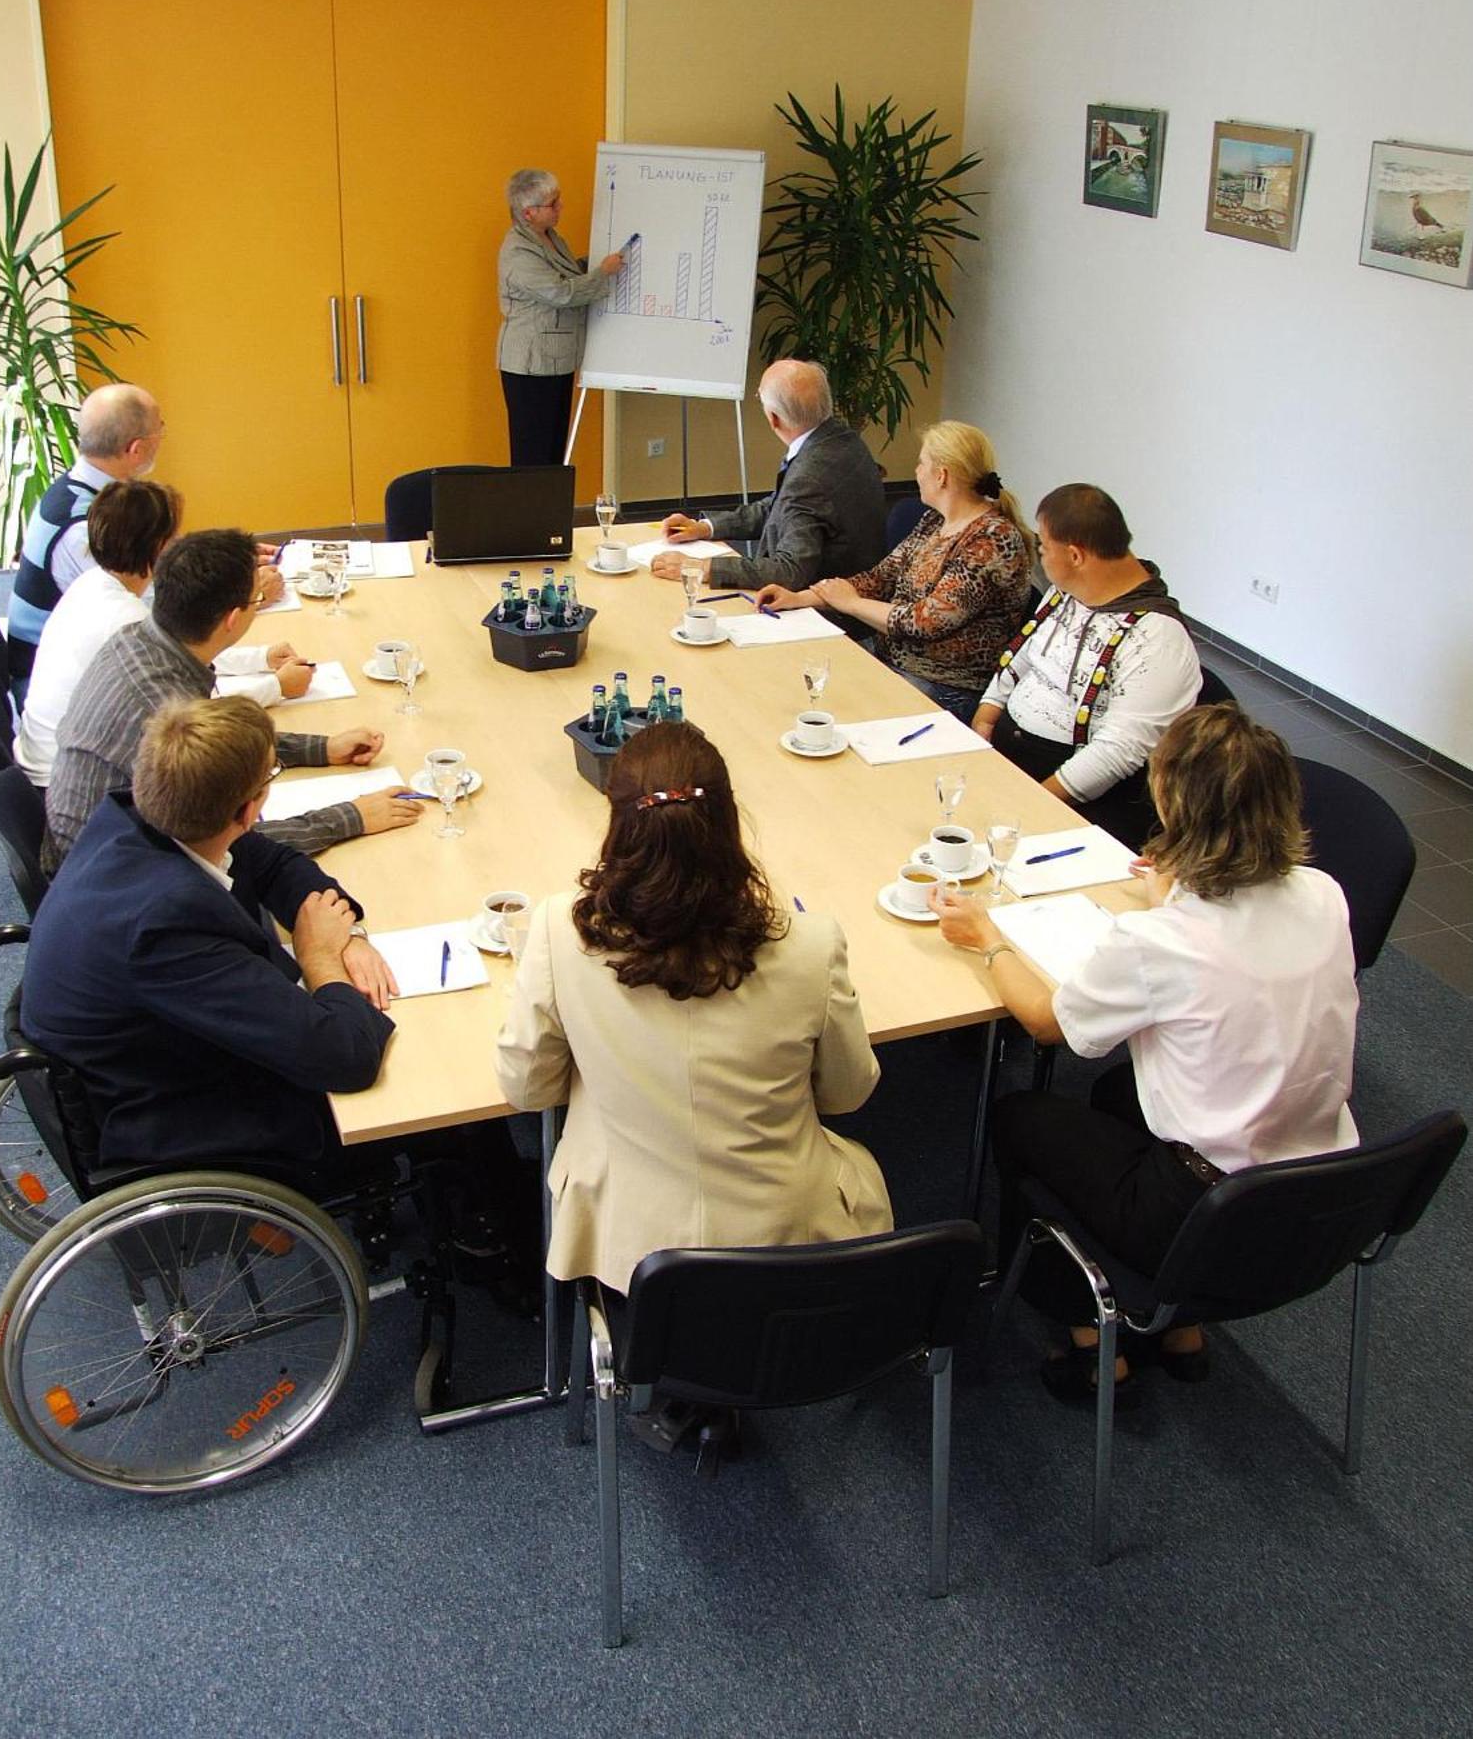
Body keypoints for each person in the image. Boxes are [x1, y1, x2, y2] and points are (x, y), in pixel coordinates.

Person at [935, 702, 1359, 1405]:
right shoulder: (1323, 894)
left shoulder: (1161, 942)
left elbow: (1045, 1024)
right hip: (1323, 1191)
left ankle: (1087, 1338)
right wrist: (1171, 893)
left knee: (1021, 1117)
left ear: (1171, 801)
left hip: (1204, 1206)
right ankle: (1182, 1332)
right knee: (1109, 1096)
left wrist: (989, 938)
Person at [495, 722, 892, 1302]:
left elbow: (528, 1089)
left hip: (628, 1240)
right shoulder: (812, 945)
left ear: (618, 826)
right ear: (731, 824)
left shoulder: (559, 931)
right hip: (786, 1237)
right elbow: (847, 1095)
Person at [23, 696, 398, 1175]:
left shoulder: (139, 818)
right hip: (181, 1113)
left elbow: (274, 862)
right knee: (427, 1098)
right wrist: (320, 957)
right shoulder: (167, 925)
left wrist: (349, 934)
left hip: (152, 1045)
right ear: (246, 810)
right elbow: (345, 1058)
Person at [43, 526, 421, 871]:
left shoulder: (139, 640)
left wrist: (323, 749)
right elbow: (222, 844)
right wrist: (349, 818)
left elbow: (223, 748)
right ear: (232, 618)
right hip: (115, 872)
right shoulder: (165, 705)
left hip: (93, 844)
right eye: (258, 597)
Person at [13, 481, 313, 786]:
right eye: (175, 535)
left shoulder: (92, 583)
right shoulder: (126, 620)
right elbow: (197, 717)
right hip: (60, 777)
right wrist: (276, 687)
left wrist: (260, 657)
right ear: (160, 546)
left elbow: (187, 651)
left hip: (50, 754)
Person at [971, 482, 1201, 849]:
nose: (1039, 555)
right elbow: (1026, 654)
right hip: (1010, 766)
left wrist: (1029, 803)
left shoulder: (1158, 639)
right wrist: (986, 716)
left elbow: (1116, 751)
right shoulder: (1070, 591)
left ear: (1076, 556)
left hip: (1075, 801)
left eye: (1044, 547)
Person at [754, 421, 1032, 721]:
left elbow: (925, 622)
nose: (916, 471)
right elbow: (881, 577)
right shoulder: (934, 522)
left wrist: (852, 604)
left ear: (942, 476)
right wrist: (802, 598)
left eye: (921, 463)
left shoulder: (991, 539)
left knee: (838, 718)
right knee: (800, 694)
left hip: (946, 686)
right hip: (893, 661)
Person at [651, 359, 885, 593]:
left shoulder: (809, 476)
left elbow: (789, 572)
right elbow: (780, 507)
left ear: (773, 418)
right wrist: (705, 527)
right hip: (857, 591)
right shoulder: (843, 439)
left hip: (824, 613)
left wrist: (703, 567)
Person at [6, 383, 166, 686]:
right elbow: (146, 614)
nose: (162, 439)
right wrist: (237, 593)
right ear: (137, 448)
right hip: (55, 679)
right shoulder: (82, 527)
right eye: (160, 431)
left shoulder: (74, 490)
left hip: (64, 658)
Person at [497, 168, 625, 466]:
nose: (560, 208)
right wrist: (603, 273)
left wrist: (592, 265)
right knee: (534, 453)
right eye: (552, 204)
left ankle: (549, 511)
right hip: (530, 366)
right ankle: (530, 512)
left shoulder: (549, 237)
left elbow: (566, 273)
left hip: (556, 360)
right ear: (528, 213)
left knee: (555, 450)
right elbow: (560, 292)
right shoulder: (518, 251)